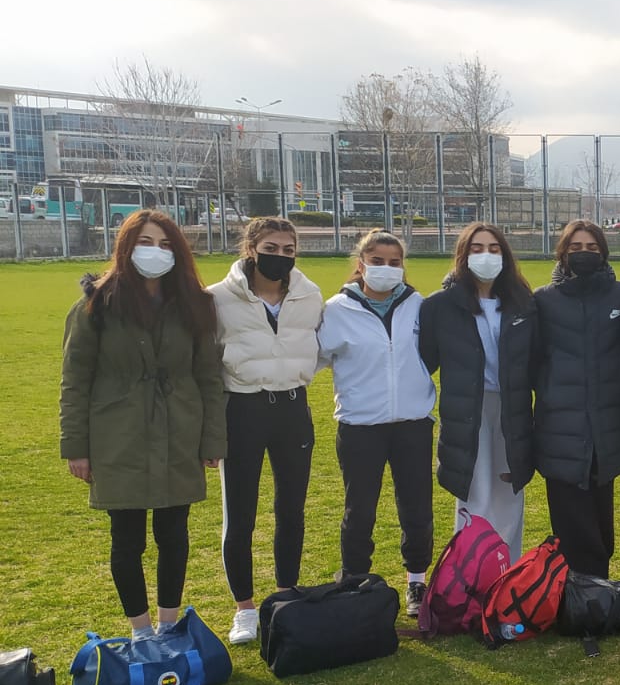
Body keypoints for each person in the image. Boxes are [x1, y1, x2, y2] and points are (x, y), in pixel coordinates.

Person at [59, 210, 226, 639]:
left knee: (174, 534)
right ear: (126, 247)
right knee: (127, 538)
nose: (157, 252)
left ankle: (168, 625)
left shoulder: (195, 303)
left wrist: (212, 439)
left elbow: (209, 377)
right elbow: (75, 380)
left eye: (166, 244)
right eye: (147, 243)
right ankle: (140, 630)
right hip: (119, 436)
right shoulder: (97, 304)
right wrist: (76, 446)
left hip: (179, 432)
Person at [210, 217, 324, 645]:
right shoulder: (217, 300)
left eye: (289, 249)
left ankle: (284, 594)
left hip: (293, 408)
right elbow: (205, 364)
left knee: (291, 509)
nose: (280, 256)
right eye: (271, 248)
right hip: (243, 410)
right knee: (240, 514)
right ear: (252, 247)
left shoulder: (310, 296)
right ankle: (244, 609)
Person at [316, 229, 437, 617]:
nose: (386, 268)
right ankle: (354, 582)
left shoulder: (418, 305)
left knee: (417, 507)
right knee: (359, 509)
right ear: (361, 265)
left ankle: (417, 582)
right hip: (360, 426)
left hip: (413, 424)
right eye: (378, 261)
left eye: (394, 262)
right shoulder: (337, 309)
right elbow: (312, 358)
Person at [419, 223, 537, 556]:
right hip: (468, 410)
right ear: (463, 255)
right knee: (474, 494)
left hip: (512, 409)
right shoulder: (439, 306)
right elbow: (423, 362)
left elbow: (537, 358)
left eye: (494, 249)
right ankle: (470, 572)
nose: (486, 256)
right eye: (477, 248)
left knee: (508, 493)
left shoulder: (523, 304)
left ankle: (506, 572)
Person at [532, 220, 620, 577]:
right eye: (575, 248)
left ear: (603, 252)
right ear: (563, 252)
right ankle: (576, 586)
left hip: (605, 426)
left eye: (591, 248)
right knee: (568, 512)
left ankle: (597, 585)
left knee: (600, 509)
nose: (584, 254)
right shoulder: (543, 300)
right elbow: (530, 359)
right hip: (560, 426)